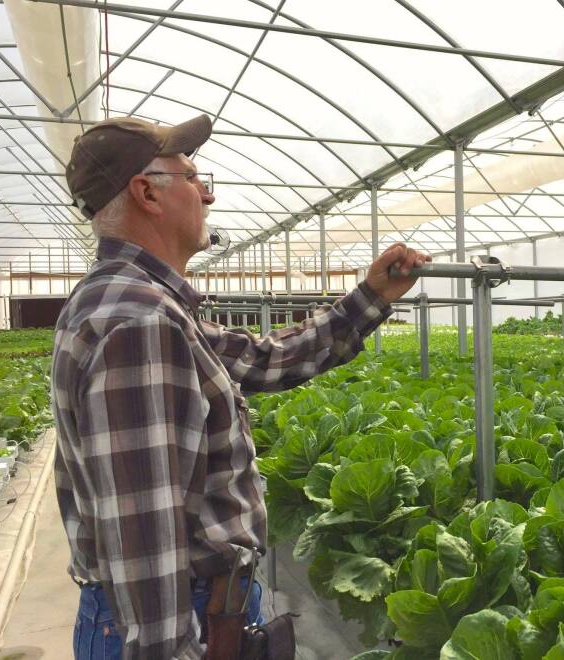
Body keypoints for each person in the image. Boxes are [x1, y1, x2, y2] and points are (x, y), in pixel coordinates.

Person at [51, 113, 430, 659]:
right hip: (184, 621)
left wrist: (370, 297)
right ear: (146, 194)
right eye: (193, 176)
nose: (207, 195)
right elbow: (145, 538)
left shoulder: (141, 303)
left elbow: (261, 360)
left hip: (199, 610)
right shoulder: (140, 323)